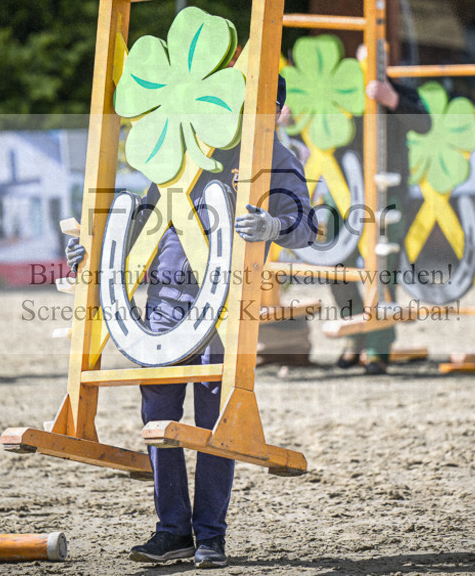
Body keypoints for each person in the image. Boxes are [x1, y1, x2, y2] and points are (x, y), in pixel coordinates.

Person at [67, 77, 317, 568]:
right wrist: (89, 255)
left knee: (213, 422)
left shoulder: (280, 161)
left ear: (278, 110)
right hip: (162, 301)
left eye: (259, 104)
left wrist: (273, 227)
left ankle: (209, 535)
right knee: (158, 419)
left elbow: (307, 227)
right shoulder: (187, 142)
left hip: (225, 311)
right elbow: (140, 222)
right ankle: (171, 530)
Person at [331, 71, 429, 375]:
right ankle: (356, 335)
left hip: (388, 189)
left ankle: (379, 345)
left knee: (383, 267)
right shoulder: (336, 85)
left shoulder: (399, 87)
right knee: (335, 264)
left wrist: (393, 99)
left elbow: (424, 123)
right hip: (343, 190)